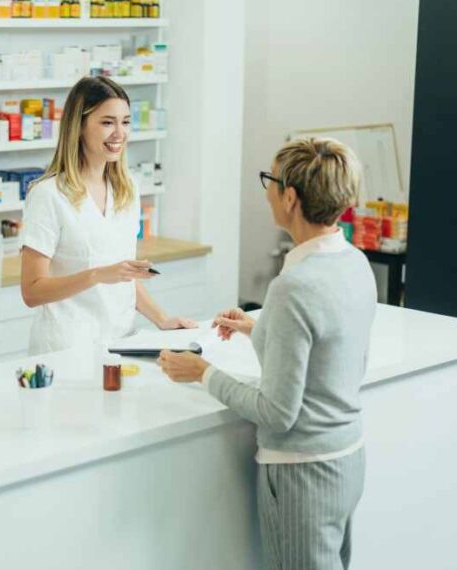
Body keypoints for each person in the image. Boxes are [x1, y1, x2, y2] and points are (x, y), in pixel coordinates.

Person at [158, 138, 377, 569]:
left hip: (303, 473)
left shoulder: (294, 286)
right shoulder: (354, 262)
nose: (266, 192)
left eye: (269, 181)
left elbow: (277, 413)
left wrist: (202, 372)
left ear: (290, 197)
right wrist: (259, 329)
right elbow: (327, 353)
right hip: (347, 459)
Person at [19, 76, 196, 355]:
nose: (119, 133)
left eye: (125, 122)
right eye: (107, 122)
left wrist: (162, 319)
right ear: (79, 126)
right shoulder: (48, 194)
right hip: (65, 349)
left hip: (121, 343)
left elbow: (124, 276)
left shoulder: (127, 189)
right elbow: (32, 291)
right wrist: (98, 275)